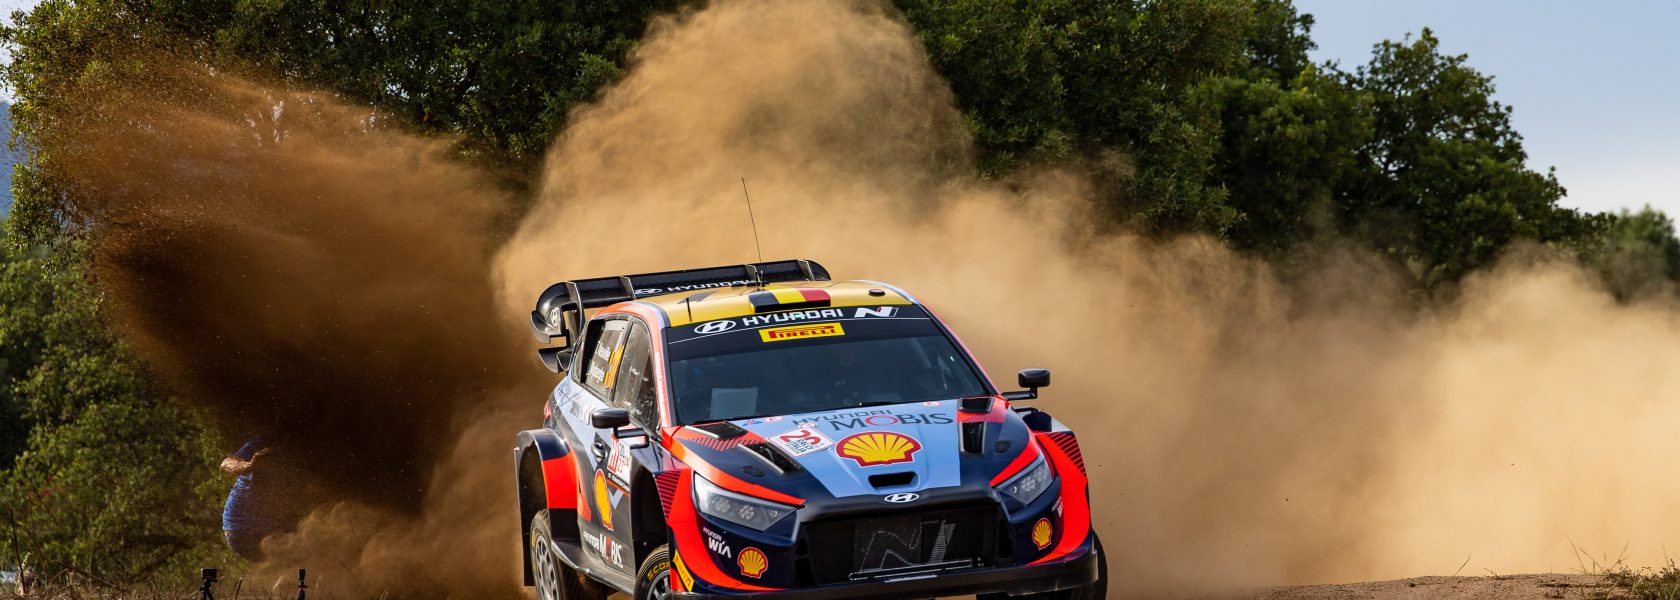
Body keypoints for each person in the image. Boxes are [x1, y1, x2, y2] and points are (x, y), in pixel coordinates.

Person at [220, 436, 290, 560]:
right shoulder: (268, 439)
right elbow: (226, 464)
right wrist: (249, 465)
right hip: (242, 528)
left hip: (276, 526)